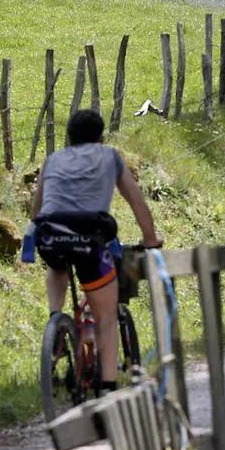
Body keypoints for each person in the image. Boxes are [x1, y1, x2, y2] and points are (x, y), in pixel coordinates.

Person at [30, 108, 161, 394]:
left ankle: (56, 321)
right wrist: (150, 239)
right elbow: (137, 202)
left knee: (57, 265)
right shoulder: (110, 157)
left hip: (50, 235)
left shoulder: (53, 160)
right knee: (106, 319)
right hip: (89, 237)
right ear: (101, 136)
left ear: (69, 137)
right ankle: (108, 388)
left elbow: (36, 210)